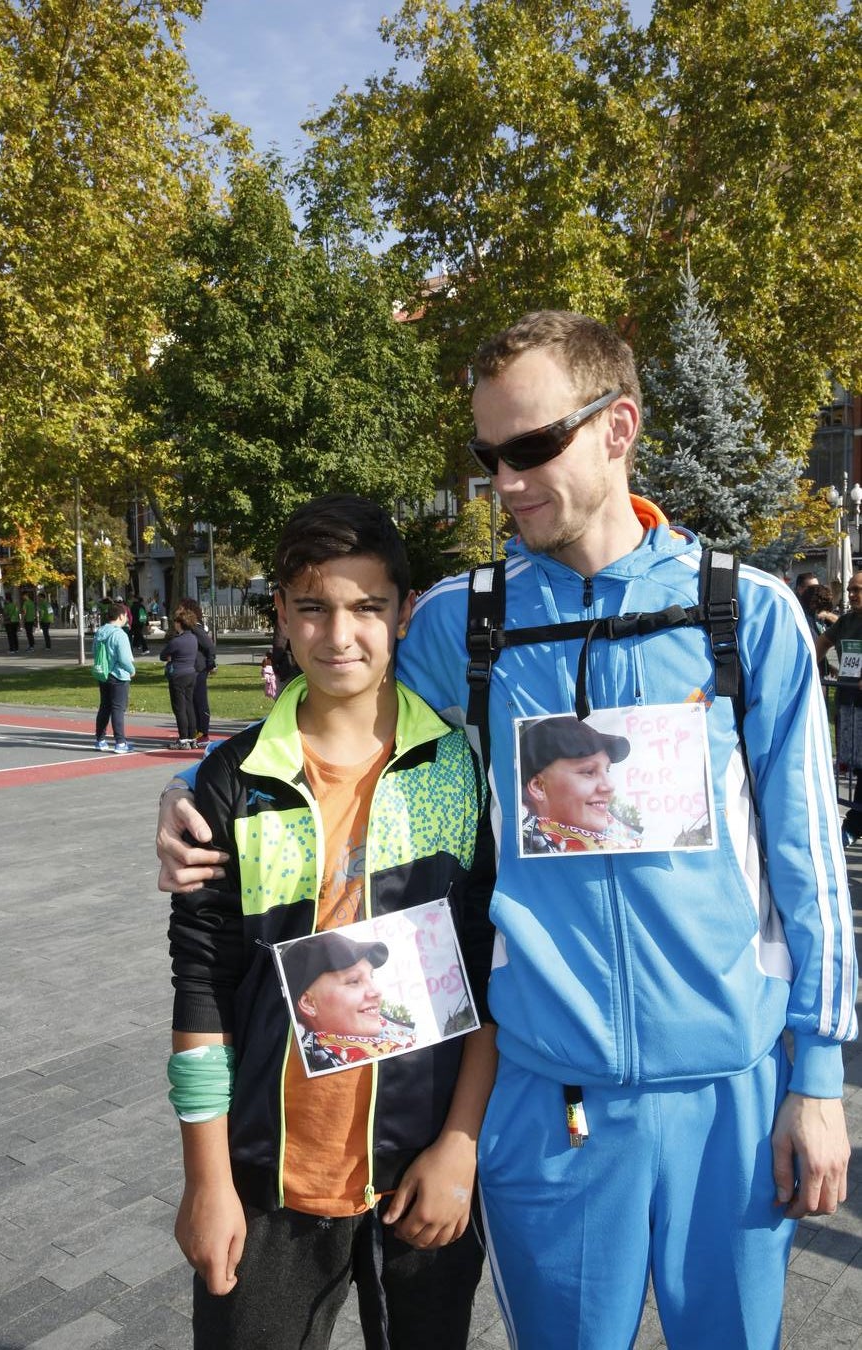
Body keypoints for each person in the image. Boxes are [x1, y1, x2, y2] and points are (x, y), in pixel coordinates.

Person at [157, 313, 856, 1350]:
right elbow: (338, 707)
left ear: (618, 427)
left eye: (531, 448)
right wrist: (190, 788)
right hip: (549, 1102)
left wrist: (819, 1076)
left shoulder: (742, 616)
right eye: (488, 457)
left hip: (731, 1096)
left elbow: (811, 866)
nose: (504, 482)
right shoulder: (460, 622)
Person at [165, 494, 495, 1350]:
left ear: (403, 614)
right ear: (279, 612)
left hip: (422, 1170)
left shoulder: (457, 772)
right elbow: (200, 985)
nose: (338, 635)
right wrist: (206, 1178)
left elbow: (488, 973)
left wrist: (459, 1146)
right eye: (312, 607)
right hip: (270, 1178)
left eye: (366, 608)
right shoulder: (231, 781)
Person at [282, 931, 415, 1072]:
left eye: (371, 977)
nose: (376, 991)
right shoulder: (296, 1073)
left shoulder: (406, 1041)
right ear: (309, 1003)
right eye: (354, 981)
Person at [518, 717, 632, 853]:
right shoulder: (523, 853)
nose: (609, 786)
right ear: (538, 787)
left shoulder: (627, 841)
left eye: (606, 770)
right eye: (588, 772)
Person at [816, 571, 862, 847]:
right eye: (850, 590)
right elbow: (823, 643)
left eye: (858, 589)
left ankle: (853, 825)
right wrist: (809, 664)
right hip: (848, 702)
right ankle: (854, 822)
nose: (852, 594)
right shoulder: (847, 621)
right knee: (854, 764)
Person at [93, 601, 136, 753]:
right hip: (119, 675)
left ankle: (100, 739)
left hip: (103, 673)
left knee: (104, 706)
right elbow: (124, 658)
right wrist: (131, 669)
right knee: (118, 708)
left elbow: (95, 651)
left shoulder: (100, 632)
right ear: (120, 616)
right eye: (125, 615)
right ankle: (120, 742)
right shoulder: (119, 634)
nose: (126, 618)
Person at [159, 605, 199, 748]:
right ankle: (192, 738)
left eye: (176, 621)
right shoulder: (193, 639)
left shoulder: (176, 641)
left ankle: (183, 739)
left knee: (179, 708)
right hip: (191, 673)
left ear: (179, 623)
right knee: (189, 706)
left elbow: (163, 655)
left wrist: (171, 657)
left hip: (178, 675)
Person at [178, 598, 216, 742]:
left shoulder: (195, 627)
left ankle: (203, 732)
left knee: (199, 700)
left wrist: (211, 664)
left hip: (199, 669)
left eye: (180, 608)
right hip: (192, 668)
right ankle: (194, 730)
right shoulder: (188, 627)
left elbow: (209, 645)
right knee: (191, 700)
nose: (178, 611)